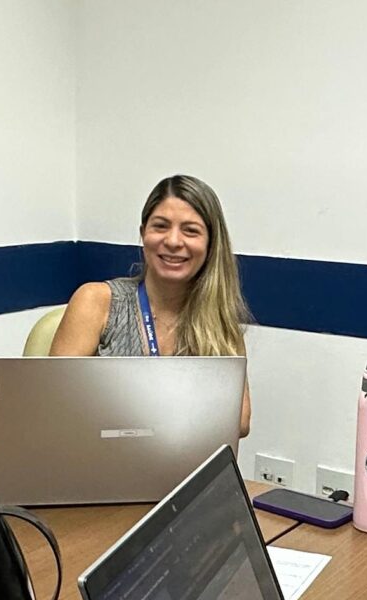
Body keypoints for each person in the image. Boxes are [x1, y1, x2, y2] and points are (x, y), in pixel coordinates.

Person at [51, 173, 254, 433]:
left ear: (211, 245)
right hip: (100, 464)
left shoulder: (219, 321)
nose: (172, 241)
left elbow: (239, 423)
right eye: (160, 226)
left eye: (191, 231)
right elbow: (54, 405)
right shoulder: (97, 301)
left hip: (185, 466)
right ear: (143, 234)